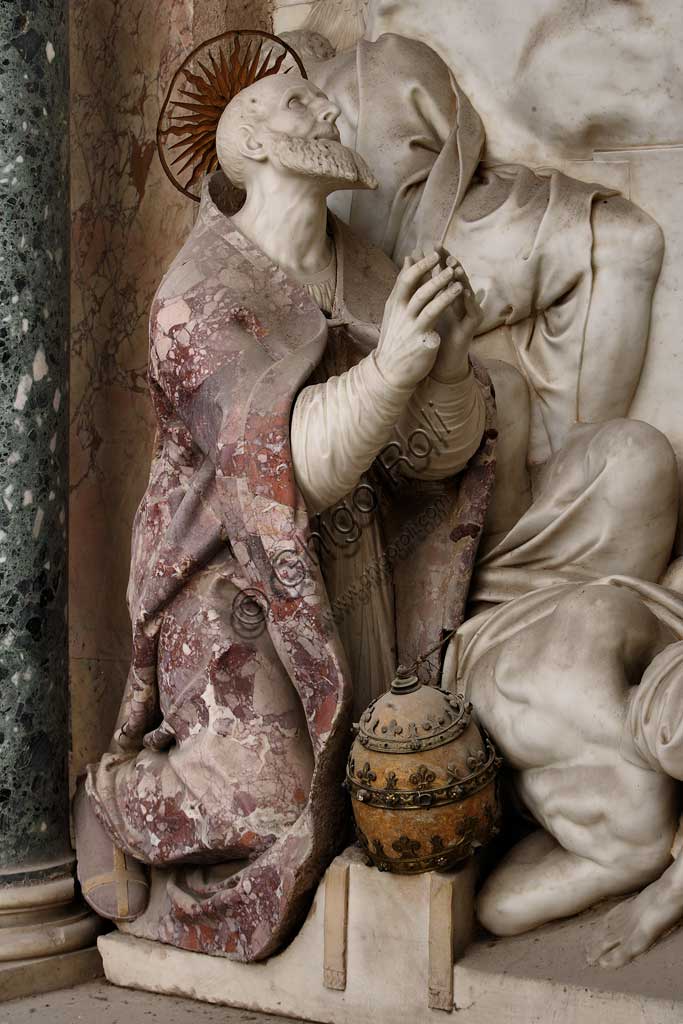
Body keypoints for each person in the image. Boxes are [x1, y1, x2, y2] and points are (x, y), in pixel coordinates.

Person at [74, 71, 496, 961]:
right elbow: (280, 468)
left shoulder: (366, 271)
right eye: (303, 104)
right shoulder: (198, 295)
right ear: (255, 141)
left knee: (369, 787)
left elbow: (427, 463)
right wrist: (395, 369)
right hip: (231, 589)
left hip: (351, 576)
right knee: (276, 799)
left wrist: (449, 368)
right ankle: (117, 797)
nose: (333, 110)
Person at [282, 28, 665, 464]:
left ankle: (574, 466)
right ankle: (574, 467)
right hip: (410, 286)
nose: (320, 109)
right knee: (623, 241)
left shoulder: (380, 62)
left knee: (623, 242)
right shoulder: (253, 218)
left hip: (442, 244)